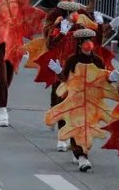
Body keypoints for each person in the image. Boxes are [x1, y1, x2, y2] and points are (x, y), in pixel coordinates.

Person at [46, 27, 104, 172]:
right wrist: (59, 71)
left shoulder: (97, 60)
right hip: (75, 99)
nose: (88, 44)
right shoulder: (72, 60)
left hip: (90, 101)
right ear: (79, 44)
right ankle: (82, 157)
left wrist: (111, 78)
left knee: (86, 128)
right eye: (85, 42)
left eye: (89, 41)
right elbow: (65, 78)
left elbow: (103, 79)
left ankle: (79, 153)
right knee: (77, 125)